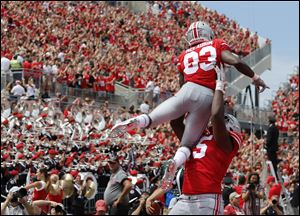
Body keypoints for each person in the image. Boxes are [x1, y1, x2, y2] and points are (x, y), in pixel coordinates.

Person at [109, 21, 269, 188]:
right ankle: (175, 162)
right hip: (207, 95)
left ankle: (140, 121)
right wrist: (255, 77)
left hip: (186, 90)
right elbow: (236, 61)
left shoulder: (184, 55)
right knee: (187, 143)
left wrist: (183, 106)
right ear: (208, 33)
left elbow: (182, 83)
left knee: (154, 117)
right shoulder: (216, 44)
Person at [144, 65, 243, 215]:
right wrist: (186, 86)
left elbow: (216, 115)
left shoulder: (227, 145)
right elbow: (175, 121)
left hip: (207, 200)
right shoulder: (199, 136)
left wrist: (219, 84)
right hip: (184, 199)